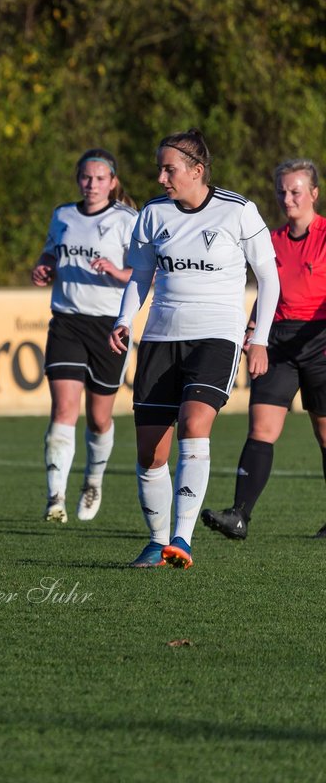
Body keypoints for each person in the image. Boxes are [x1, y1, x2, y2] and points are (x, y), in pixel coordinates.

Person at [110, 129, 279, 569]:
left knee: (194, 422)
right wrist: (124, 319)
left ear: (197, 170)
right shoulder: (152, 213)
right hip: (161, 337)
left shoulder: (238, 211)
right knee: (151, 451)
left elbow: (269, 276)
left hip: (216, 336)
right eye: (160, 168)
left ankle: (181, 539)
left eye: (170, 168)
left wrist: (258, 338)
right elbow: (140, 275)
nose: (162, 176)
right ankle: (156, 540)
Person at [201, 159, 326, 541]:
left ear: (314, 194)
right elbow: (266, 293)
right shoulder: (271, 240)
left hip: (320, 341)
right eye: (281, 191)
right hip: (277, 343)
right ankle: (239, 516)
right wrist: (255, 331)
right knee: (261, 429)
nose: (287, 198)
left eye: (295, 191)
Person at [31, 149, 137, 523]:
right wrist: (44, 267)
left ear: (113, 182)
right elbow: (49, 253)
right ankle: (55, 498)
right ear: (78, 179)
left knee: (98, 418)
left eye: (99, 178)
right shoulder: (63, 215)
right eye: (86, 178)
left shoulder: (127, 220)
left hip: (110, 325)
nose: (92, 185)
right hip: (67, 321)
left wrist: (115, 271)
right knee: (63, 409)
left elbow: (145, 275)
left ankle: (93, 481)